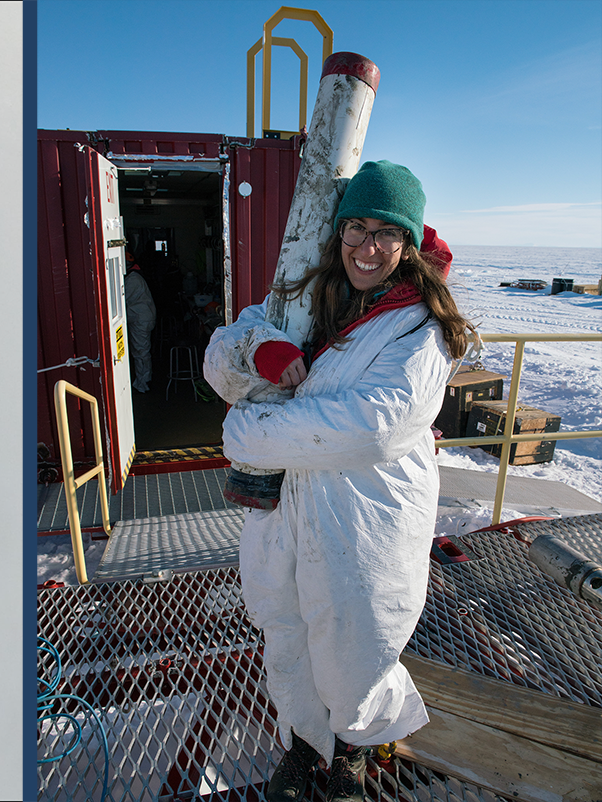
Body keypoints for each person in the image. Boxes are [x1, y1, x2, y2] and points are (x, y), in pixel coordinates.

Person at [203, 161, 473, 802]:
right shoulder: (302, 299)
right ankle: (304, 745)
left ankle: (353, 748)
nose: (367, 247)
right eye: (356, 227)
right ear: (338, 230)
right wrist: (260, 349)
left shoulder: (418, 328)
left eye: (386, 232)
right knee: (288, 633)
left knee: (357, 643)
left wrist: (246, 433)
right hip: (285, 512)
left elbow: (371, 427)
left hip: (364, 516)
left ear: (408, 244)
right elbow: (222, 354)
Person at [124, 255, 156, 393]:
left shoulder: (133, 280)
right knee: (141, 350)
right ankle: (143, 380)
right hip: (141, 318)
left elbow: (121, 299)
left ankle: (144, 383)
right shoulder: (133, 277)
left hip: (141, 320)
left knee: (141, 351)